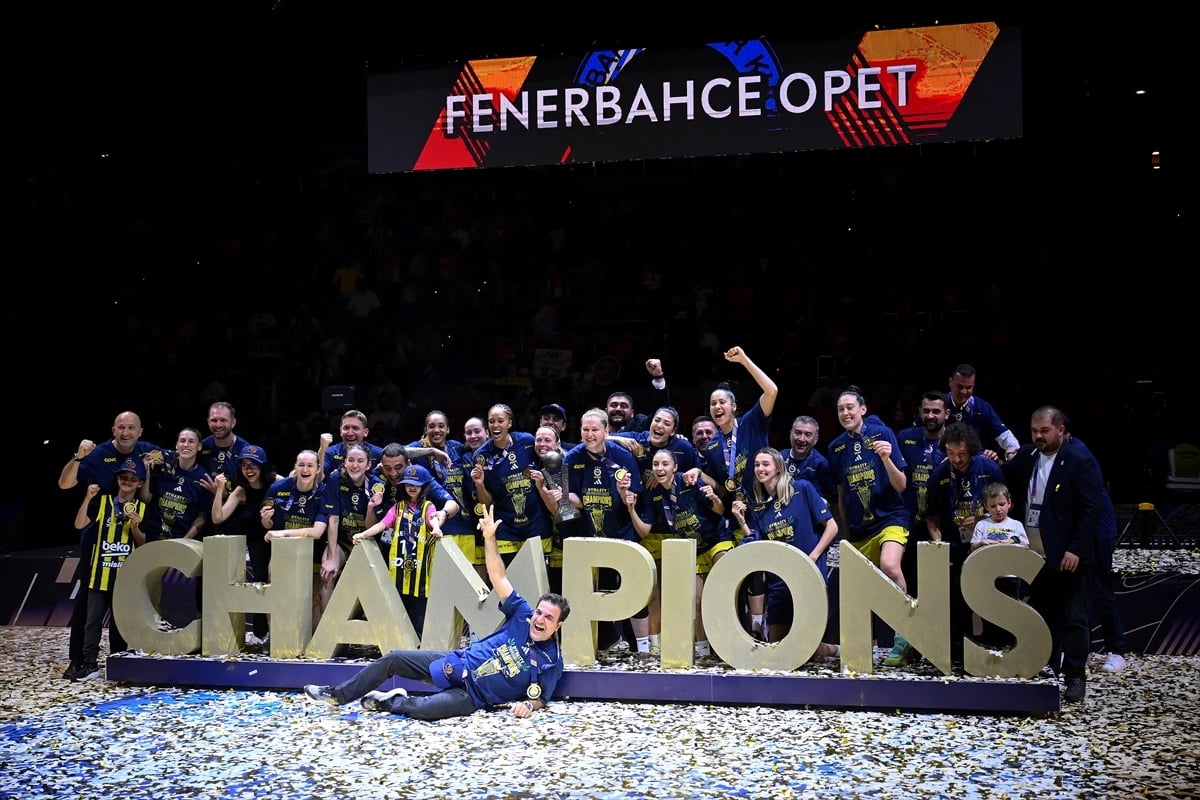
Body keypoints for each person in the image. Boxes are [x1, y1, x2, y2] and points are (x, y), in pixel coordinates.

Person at [304, 505, 570, 720]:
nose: (540, 619)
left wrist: (529, 706)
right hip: (455, 662)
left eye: (548, 618)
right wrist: (489, 539)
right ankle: (337, 695)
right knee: (394, 659)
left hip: (471, 696)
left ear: (558, 626)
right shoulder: (522, 614)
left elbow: (541, 697)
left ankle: (390, 701)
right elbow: (498, 576)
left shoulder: (552, 660)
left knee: (423, 710)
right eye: (540, 612)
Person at [1002, 405, 1103, 703]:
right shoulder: (1027, 456)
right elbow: (1003, 476)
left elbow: (1091, 510)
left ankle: (1075, 676)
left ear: (1061, 430)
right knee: (1043, 616)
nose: (1038, 436)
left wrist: (1075, 549)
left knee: (1074, 617)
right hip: (1035, 555)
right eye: (1034, 431)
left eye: (1044, 431)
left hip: (1068, 555)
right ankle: (1047, 670)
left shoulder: (1079, 459)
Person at [57, 411, 161, 680]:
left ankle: (121, 659)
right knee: (87, 606)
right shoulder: (97, 454)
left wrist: (154, 465)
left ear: (140, 432)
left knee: (123, 607)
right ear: (113, 430)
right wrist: (78, 456)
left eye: (131, 428)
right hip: (96, 540)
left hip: (127, 545)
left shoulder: (148, 451)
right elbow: (65, 484)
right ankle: (80, 660)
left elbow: (175, 460)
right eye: (121, 427)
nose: (126, 432)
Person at [827, 386, 911, 665]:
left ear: (863, 409)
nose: (845, 413)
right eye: (840, 409)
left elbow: (902, 484)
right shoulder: (836, 447)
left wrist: (886, 458)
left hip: (891, 518)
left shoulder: (883, 434)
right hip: (859, 530)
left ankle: (905, 634)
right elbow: (841, 495)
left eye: (850, 407)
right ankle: (867, 645)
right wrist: (847, 533)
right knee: (861, 592)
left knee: (890, 566)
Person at [730, 448, 839, 658]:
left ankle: (838, 651)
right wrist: (742, 522)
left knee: (809, 652)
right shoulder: (760, 506)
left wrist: (812, 557)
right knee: (777, 651)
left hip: (807, 576)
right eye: (757, 465)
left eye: (765, 464)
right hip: (778, 582)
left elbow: (832, 527)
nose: (760, 469)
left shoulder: (802, 488)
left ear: (778, 468)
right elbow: (758, 546)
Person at [704, 346, 778, 641]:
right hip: (736, 515)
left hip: (764, 509)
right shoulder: (711, 446)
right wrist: (700, 475)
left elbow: (772, 390)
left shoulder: (751, 423)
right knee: (741, 571)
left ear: (734, 406)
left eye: (722, 402)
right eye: (713, 403)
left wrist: (744, 360)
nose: (717, 407)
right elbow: (724, 486)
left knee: (759, 568)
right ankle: (739, 632)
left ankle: (760, 628)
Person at [627, 447, 726, 660]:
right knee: (697, 603)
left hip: (716, 540)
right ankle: (703, 652)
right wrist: (631, 509)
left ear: (675, 467)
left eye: (665, 464)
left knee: (721, 591)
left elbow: (719, 510)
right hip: (693, 550)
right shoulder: (654, 494)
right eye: (656, 464)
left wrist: (714, 498)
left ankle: (726, 645)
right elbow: (645, 531)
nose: (660, 468)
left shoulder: (689, 481)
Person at [566, 407, 645, 652]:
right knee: (596, 592)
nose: (589, 434)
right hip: (589, 536)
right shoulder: (573, 458)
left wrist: (624, 492)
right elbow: (568, 497)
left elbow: (634, 497)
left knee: (632, 591)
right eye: (585, 429)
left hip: (621, 534)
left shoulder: (623, 456)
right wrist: (570, 498)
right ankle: (604, 644)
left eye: (594, 429)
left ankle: (641, 647)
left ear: (606, 431)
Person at [925, 422, 1004, 663]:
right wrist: (939, 544)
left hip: (988, 544)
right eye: (950, 453)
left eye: (961, 453)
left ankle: (995, 649)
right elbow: (931, 516)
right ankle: (959, 655)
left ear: (971, 449)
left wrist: (981, 519)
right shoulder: (940, 475)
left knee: (990, 597)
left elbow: (1005, 507)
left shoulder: (989, 468)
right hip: (955, 546)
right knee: (958, 601)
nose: (956, 459)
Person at [70, 457, 148, 680]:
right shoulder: (103, 502)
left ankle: (119, 664)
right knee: (91, 623)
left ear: (140, 483)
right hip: (99, 574)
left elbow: (143, 543)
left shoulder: (143, 508)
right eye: (124, 477)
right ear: (117, 479)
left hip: (125, 577)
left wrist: (135, 526)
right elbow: (79, 524)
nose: (127, 481)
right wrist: (87, 498)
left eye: (132, 478)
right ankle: (90, 664)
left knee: (120, 624)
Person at [352, 464, 446, 637]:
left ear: (424, 486)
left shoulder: (428, 507)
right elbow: (382, 524)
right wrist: (363, 534)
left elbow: (433, 519)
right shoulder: (397, 507)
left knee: (418, 618)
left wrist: (436, 528)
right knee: (397, 614)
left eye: (416, 484)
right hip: (398, 572)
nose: (412, 487)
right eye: (408, 484)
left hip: (420, 575)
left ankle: (417, 648)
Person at [1066, 429, 1127, 673]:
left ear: (1062, 432)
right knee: (1075, 594)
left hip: (1098, 533)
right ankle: (1079, 650)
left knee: (1101, 590)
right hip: (1081, 533)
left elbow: (1090, 505)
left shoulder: (1078, 455)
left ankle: (1116, 651)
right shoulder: (1065, 453)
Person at [211, 445, 277, 645]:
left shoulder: (277, 483)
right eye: (244, 465)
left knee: (276, 581)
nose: (249, 469)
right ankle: (261, 633)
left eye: (253, 464)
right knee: (260, 582)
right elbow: (217, 517)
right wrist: (219, 490)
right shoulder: (241, 490)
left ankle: (279, 631)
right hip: (257, 542)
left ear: (263, 466)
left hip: (280, 539)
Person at [469, 404, 551, 564]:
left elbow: (547, 463)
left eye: (500, 421)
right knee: (506, 577)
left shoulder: (528, 441)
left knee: (539, 578)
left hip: (537, 524)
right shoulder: (481, 456)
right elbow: (487, 503)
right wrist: (479, 484)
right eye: (491, 421)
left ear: (510, 423)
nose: (495, 425)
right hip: (505, 527)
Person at [261, 449, 328, 630]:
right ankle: (276, 637)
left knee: (312, 602)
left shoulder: (324, 493)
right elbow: (267, 526)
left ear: (318, 469)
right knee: (275, 592)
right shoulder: (277, 488)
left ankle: (311, 641)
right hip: (283, 552)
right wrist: (266, 520)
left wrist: (283, 533)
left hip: (313, 554)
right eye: (301, 465)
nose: (305, 469)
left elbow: (317, 532)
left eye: (310, 465)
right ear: (295, 467)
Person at [895, 391, 949, 602]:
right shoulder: (904, 438)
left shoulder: (956, 440)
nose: (930, 416)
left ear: (946, 413)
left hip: (944, 526)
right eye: (926, 411)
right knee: (910, 583)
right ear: (919, 412)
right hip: (910, 522)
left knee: (943, 586)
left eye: (936, 411)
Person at [198, 402, 260, 528]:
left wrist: (223, 494)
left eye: (223, 420)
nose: (218, 425)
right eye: (214, 420)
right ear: (208, 422)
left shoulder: (247, 451)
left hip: (240, 521)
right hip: (205, 519)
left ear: (233, 422)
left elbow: (255, 494)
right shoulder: (201, 447)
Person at [946, 364, 1020, 461]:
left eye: (968, 388)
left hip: (975, 460)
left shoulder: (982, 407)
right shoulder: (938, 405)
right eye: (959, 387)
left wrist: (1013, 450)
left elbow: (1002, 433)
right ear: (950, 382)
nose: (963, 392)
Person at [605, 358, 671, 434]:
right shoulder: (596, 425)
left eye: (624, 406)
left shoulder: (639, 423)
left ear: (632, 413)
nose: (618, 409)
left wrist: (658, 377)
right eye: (614, 405)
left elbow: (661, 412)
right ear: (606, 411)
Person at [781, 415, 835, 505]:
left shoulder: (821, 464)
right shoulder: (779, 457)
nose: (802, 439)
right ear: (790, 434)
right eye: (798, 433)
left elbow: (831, 495)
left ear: (816, 439)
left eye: (807, 435)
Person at [318, 409, 385, 481]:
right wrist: (322, 450)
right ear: (340, 431)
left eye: (355, 428)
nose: (350, 433)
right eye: (346, 428)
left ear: (365, 432)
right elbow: (318, 479)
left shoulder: (379, 453)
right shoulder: (330, 452)